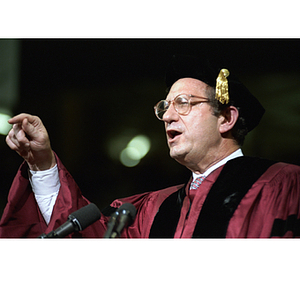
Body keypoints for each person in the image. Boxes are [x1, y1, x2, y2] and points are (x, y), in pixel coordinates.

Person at [1, 54, 300, 238]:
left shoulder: (282, 186)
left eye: (183, 104)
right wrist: (42, 164)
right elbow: (88, 244)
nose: (168, 116)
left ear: (226, 118)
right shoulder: (150, 212)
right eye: (165, 107)